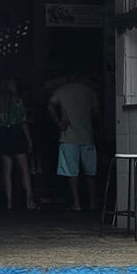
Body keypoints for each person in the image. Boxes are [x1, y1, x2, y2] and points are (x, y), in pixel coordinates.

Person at [47, 73, 100, 211]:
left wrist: (58, 122)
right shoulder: (89, 91)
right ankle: (93, 203)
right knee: (91, 173)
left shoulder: (62, 90)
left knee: (72, 173)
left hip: (69, 137)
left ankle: (77, 203)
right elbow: (96, 113)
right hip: (87, 136)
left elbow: (50, 105)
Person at [0, 77, 36, 210]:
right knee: (24, 169)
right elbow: (23, 120)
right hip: (16, 134)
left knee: (7, 171)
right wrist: (29, 140)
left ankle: (9, 202)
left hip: (3, 135)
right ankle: (29, 201)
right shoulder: (17, 99)